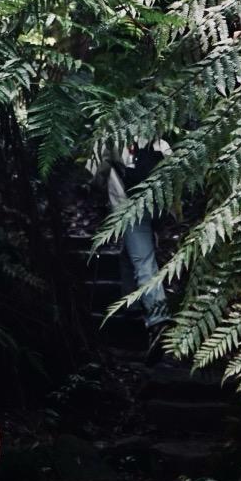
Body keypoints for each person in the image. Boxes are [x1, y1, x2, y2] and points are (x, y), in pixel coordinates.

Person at [91, 140, 171, 345]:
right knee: (132, 252)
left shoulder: (110, 135)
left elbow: (98, 173)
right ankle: (131, 305)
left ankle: (158, 320)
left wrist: (99, 193)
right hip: (155, 204)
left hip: (127, 206)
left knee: (144, 262)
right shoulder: (155, 134)